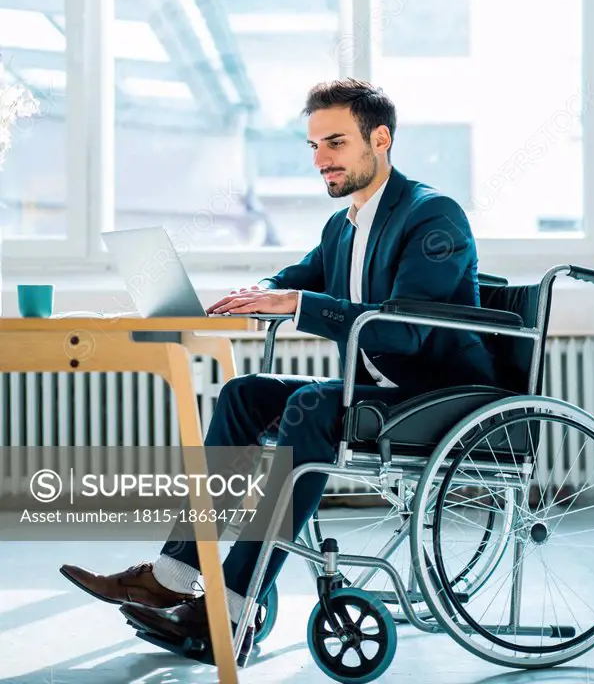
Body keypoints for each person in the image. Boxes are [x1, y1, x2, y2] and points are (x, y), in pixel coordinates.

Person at [60, 78, 498, 666]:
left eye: (335, 143)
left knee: (313, 405)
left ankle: (236, 604)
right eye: (313, 146)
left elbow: (404, 329)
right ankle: (173, 574)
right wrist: (258, 292)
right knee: (243, 394)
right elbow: (303, 273)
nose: (320, 160)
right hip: (376, 392)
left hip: (439, 395)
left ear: (382, 138)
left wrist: (295, 305)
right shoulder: (344, 225)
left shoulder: (432, 216)